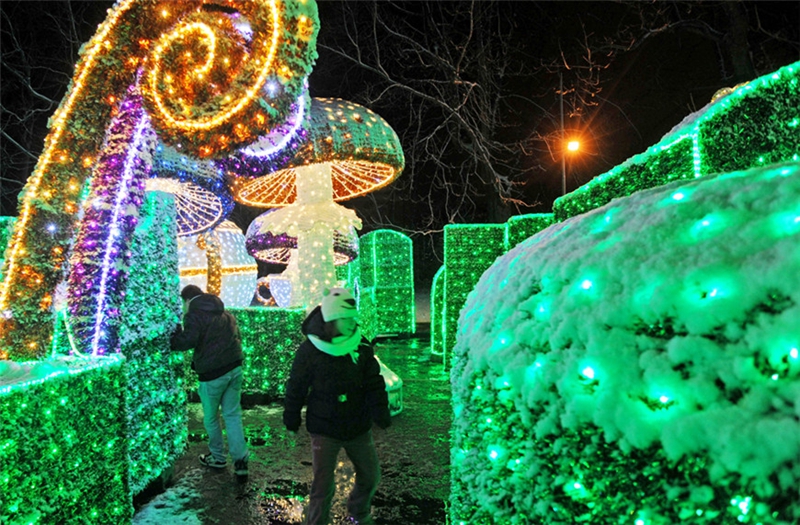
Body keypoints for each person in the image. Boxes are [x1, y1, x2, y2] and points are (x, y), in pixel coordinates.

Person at [283, 287, 391, 525]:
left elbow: (374, 381)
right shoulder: (311, 350)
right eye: (346, 318)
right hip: (324, 428)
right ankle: (317, 521)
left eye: (354, 317)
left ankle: (359, 510)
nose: (353, 322)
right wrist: (291, 418)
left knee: (370, 476)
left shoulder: (360, 346)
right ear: (332, 319)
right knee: (322, 485)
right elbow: (296, 386)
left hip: (357, 425)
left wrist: (380, 411)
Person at [171, 284, 249, 477]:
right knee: (232, 416)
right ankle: (240, 462)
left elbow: (186, 342)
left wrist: (173, 336)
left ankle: (218, 457)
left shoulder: (194, 315)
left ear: (187, 300)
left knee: (211, 417)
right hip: (234, 368)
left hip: (212, 375)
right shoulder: (225, 313)